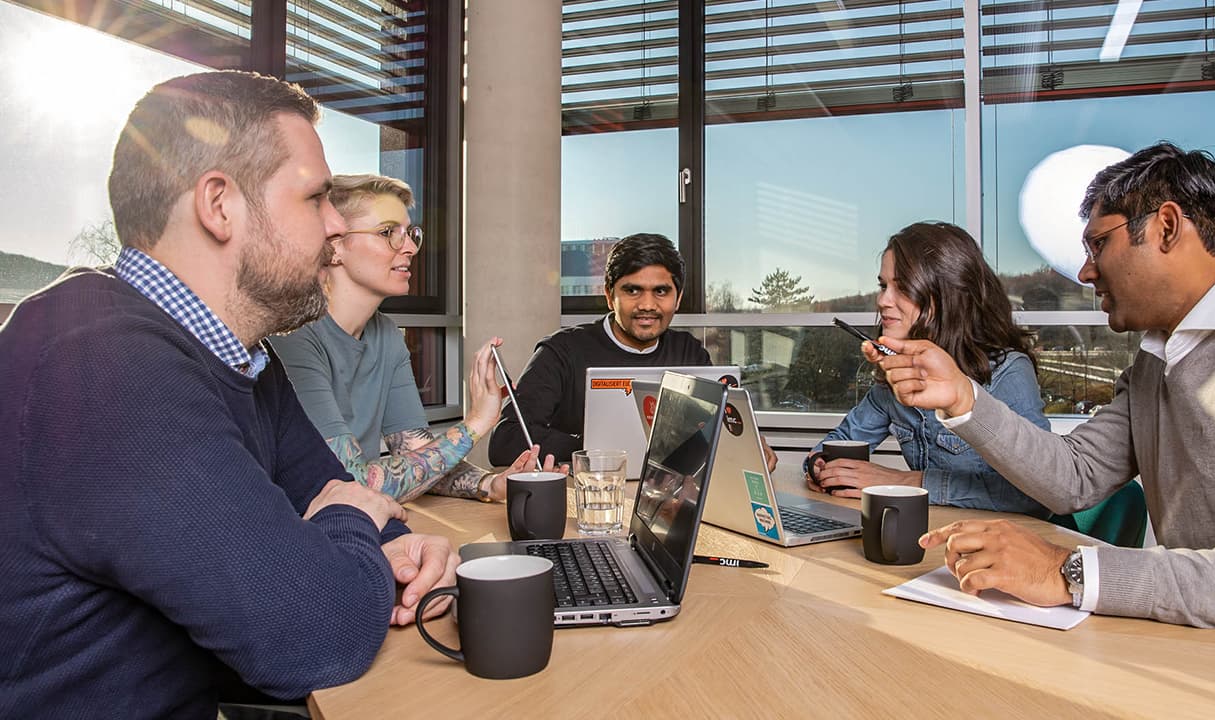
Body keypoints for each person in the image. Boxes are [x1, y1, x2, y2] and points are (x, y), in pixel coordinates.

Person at [0, 71, 461, 718]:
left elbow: (331, 501)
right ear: (220, 205)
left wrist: (384, 547)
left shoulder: (240, 354)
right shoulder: (101, 364)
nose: (336, 226)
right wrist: (354, 522)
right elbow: (312, 633)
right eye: (315, 199)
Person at [877, 142, 1215, 631]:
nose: (1086, 271)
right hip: (1199, 643)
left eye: (1098, 244)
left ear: (1166, 227)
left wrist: (1066, 571)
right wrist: (964, 397)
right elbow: (1076, 475)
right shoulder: (1158, 359)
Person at [272, 174, 551, 504]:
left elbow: (418, 456)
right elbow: (348, 483)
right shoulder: (292, 337)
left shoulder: (386, 335)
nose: (410, 248)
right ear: (334, 245)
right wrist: (476, 422)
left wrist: (490, 485)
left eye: (410, 234)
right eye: (388, 233)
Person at [805, 222, 1051, 516]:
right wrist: (819, 463)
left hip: (1006, 544)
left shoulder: (1008, 373)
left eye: (903, 287)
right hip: (935, 535)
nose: (882, 300)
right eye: (883, 286)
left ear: (947, 296)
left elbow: (1034, 494)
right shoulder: (896, 375)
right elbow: (842, 441)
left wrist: (906, 482)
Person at [489, 233, 778, 470]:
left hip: (668, 504)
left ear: (677, 299)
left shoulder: (689, 354)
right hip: (587, 502)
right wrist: (596, 451)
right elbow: (506, 440)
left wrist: (746, 449)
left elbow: (712, 438)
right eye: (633, 291)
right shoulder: (561, 351)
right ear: (608, 295)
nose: (647, 305)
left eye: (661, 292)